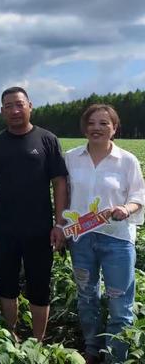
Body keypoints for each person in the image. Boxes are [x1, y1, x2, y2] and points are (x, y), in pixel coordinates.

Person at [0, 86, 68, 342]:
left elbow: (59, 182)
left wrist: (59, 223)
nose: (14, 110)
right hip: (3, 226)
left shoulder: (47, 139)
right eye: (8, 106)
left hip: (39, 227)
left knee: (40, 285)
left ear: (29, 106)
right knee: (6, 283)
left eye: (19, 104)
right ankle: (11, 336)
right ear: (2, 111)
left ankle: (38, 340)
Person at [65, 104, 144, 364]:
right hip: (81, 239)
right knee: (87, 297)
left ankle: (114, 357)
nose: (96, 128)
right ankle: (91, 348)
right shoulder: (71, 157)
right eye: (91, 123)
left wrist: (126, 207)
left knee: (119, 304)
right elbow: (62, 195)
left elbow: (138, 196)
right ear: (84, 127)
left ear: (114, 127)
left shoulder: (127, 160)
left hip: (117, 239)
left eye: (103, 123)